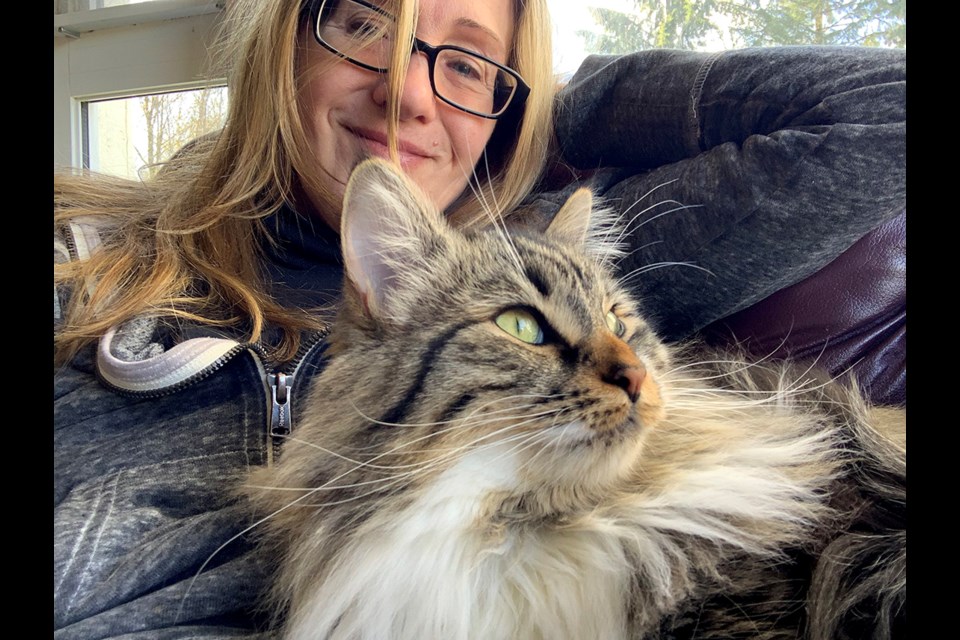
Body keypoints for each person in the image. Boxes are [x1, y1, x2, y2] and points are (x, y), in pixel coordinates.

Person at [54, 0, 905, 636]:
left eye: (465, 63)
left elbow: (884, 111)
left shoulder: (550, 244)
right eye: (361, 24)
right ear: (281, 40)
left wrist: (535, 111)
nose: (404, 96)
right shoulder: (79, 256)